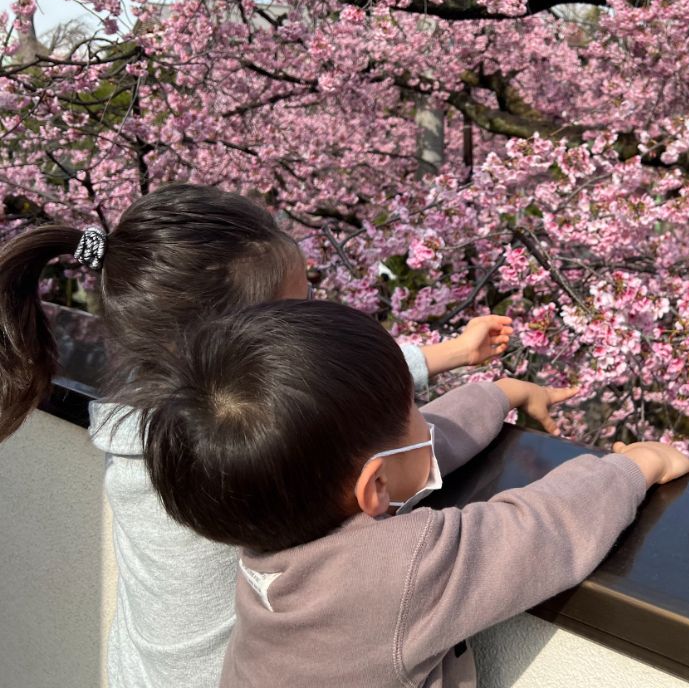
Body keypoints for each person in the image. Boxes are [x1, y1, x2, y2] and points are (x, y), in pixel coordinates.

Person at [0, 182, 513, 688]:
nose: (314, 313)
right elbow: (317, 391)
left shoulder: (142, 421)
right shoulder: (218, 451)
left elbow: (320, 382)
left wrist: (451, 353)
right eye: (299, 303)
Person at [132, 299, 689, 688]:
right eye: (412, 414)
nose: (422, 421)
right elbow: (541, 529)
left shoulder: (269, 520)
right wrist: (633, 467)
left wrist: (498, 393)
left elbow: (412, 452)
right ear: (373, 487)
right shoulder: (399, 572)